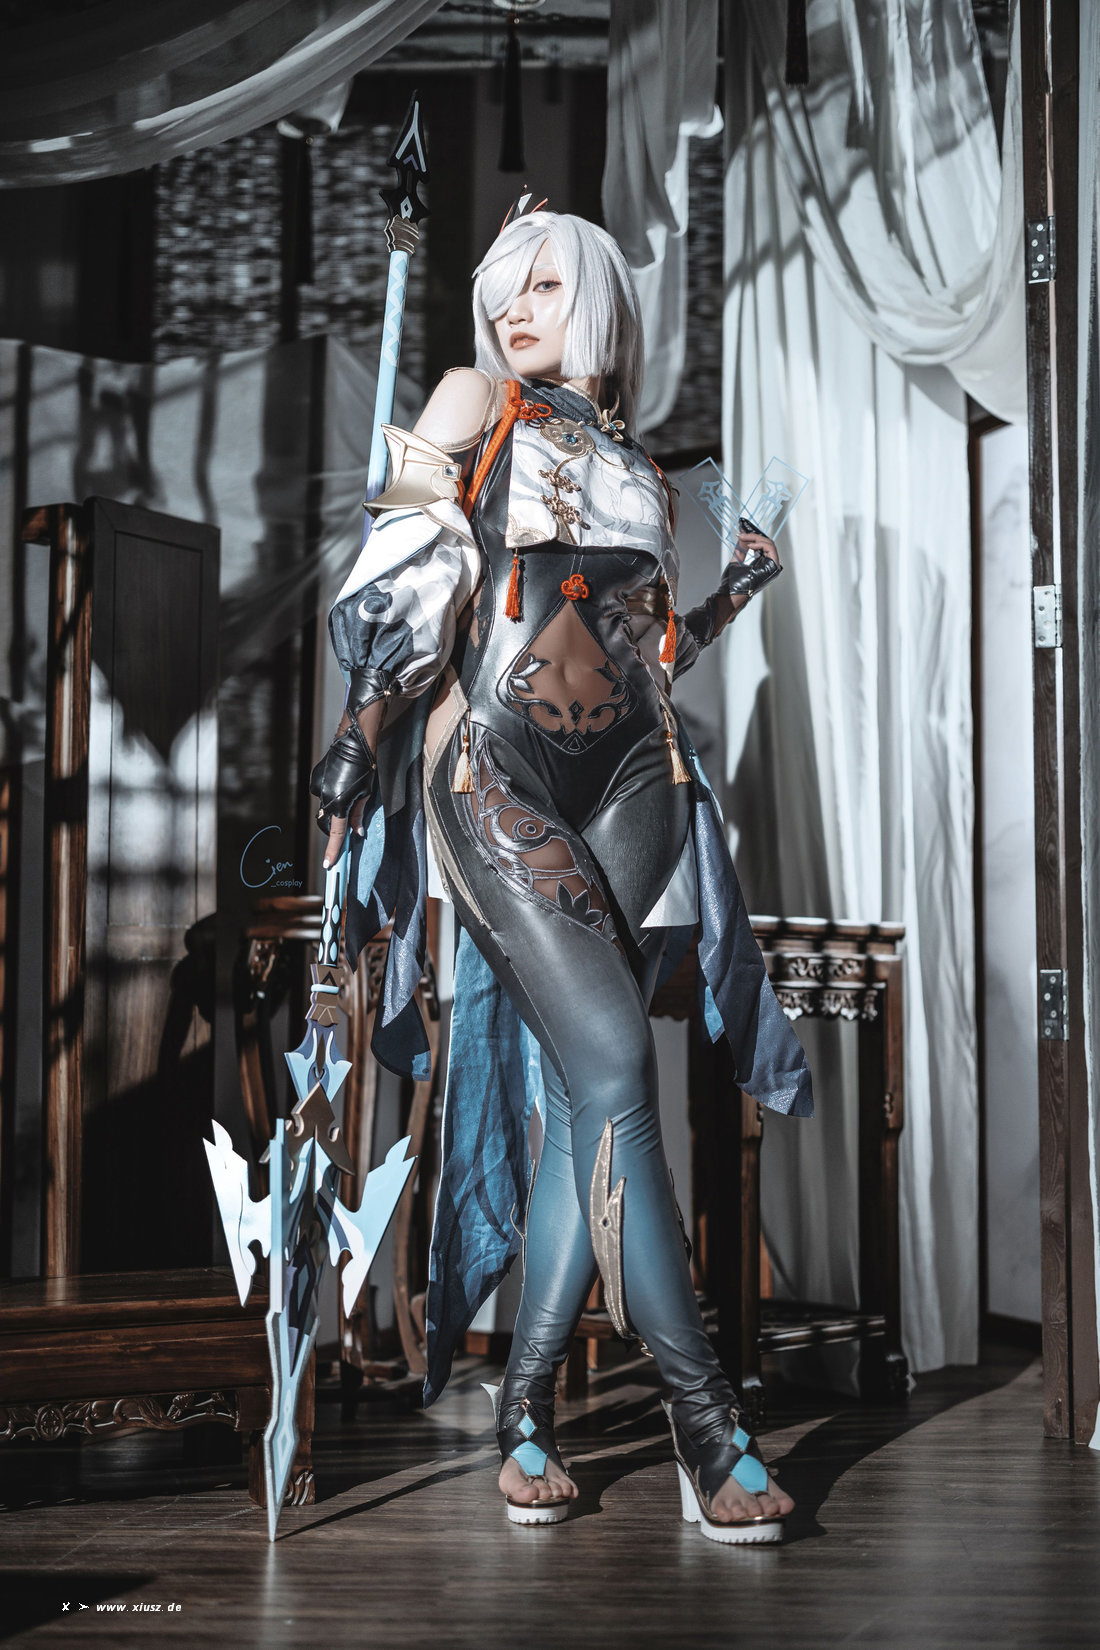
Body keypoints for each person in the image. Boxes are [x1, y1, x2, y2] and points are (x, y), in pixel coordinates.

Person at [309, 206, 814, 1546]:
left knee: (595, 1099)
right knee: (618, 1068)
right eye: (501, 291)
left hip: (639, 777)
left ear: (596, 290)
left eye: (541, 284)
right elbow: (416, 567)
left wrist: (730, 593)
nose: (514, 309)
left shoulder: (642, 458)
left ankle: (524, 1405)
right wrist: (360, 729)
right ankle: (708, 1427)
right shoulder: (477, 402)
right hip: (500, 771)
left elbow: (641, 652)